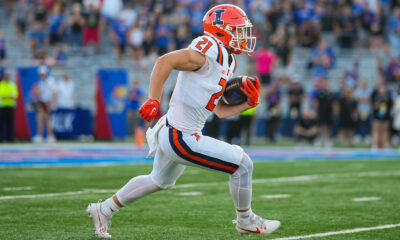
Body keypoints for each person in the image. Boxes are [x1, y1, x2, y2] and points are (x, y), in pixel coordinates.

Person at [87, 4, 280, 238]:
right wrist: (153, 100)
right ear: (221, 30)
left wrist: (247, 104)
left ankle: (103, 209)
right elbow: (163, 62)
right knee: (243, 165)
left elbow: (219, 111)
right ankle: (245, 220)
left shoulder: (228, 60)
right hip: (181, 136)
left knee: (159, 180)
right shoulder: (209, 47)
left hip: (177, 132)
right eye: (238, 30)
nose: (243, 36)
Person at [32, 66, 58, 143]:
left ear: (46, 74)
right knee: (39, 119)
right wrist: (36, 98)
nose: (42, 75)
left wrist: (52, 102)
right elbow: (40, 94)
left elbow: (55, 92)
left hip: (47, 102)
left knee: (47, 120)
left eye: (43, 74)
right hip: (41, 102)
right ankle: (40, 136)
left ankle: (51, 136)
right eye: (40, 74)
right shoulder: (40, 82)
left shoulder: (51, 81)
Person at [0, 73, 18, 142]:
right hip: (2, 106)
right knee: (1, 123)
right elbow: (1, 95)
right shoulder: (1, 85)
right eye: (6, 76)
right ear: (4, 77)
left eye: (8, 77)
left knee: (10, 123)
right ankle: (0, 138)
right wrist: (8, 97)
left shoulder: (12, 85)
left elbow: (15, 95)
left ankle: (10, 138)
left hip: (10, 106)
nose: (7, 78)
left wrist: (6, 97)